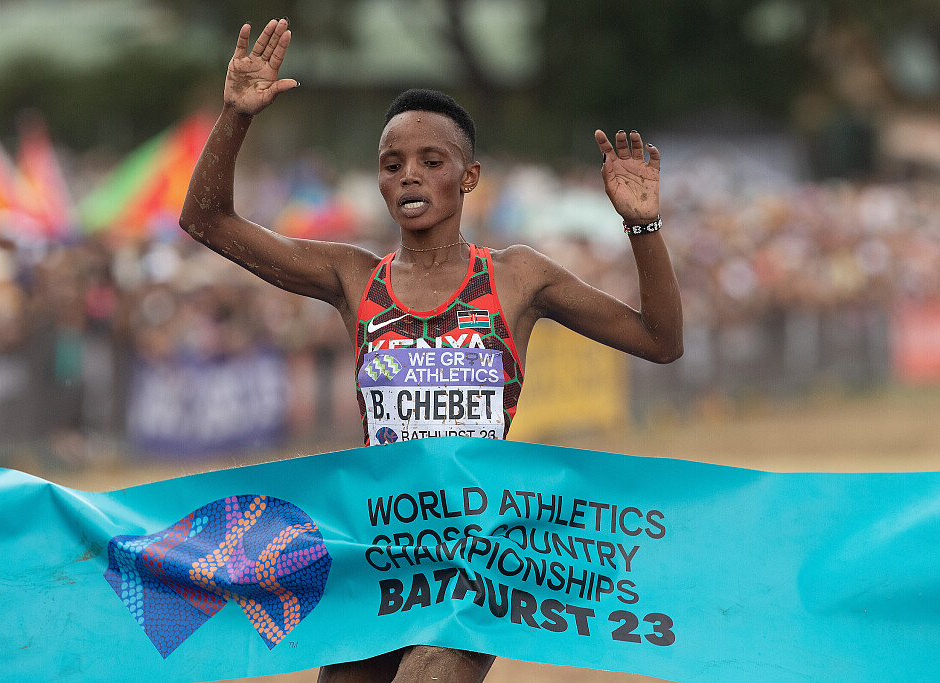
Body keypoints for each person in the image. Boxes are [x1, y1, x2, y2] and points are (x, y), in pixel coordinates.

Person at [180, 17, 683, 683]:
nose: (409, 176)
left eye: (431, 162)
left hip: (476, 561)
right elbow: (206, 219)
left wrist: (643, 226)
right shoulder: (354, 278)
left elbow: (660, 340)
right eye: (392, 166)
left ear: (468, 176)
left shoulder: (516, 277)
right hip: (377, 553)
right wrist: (236, 116)